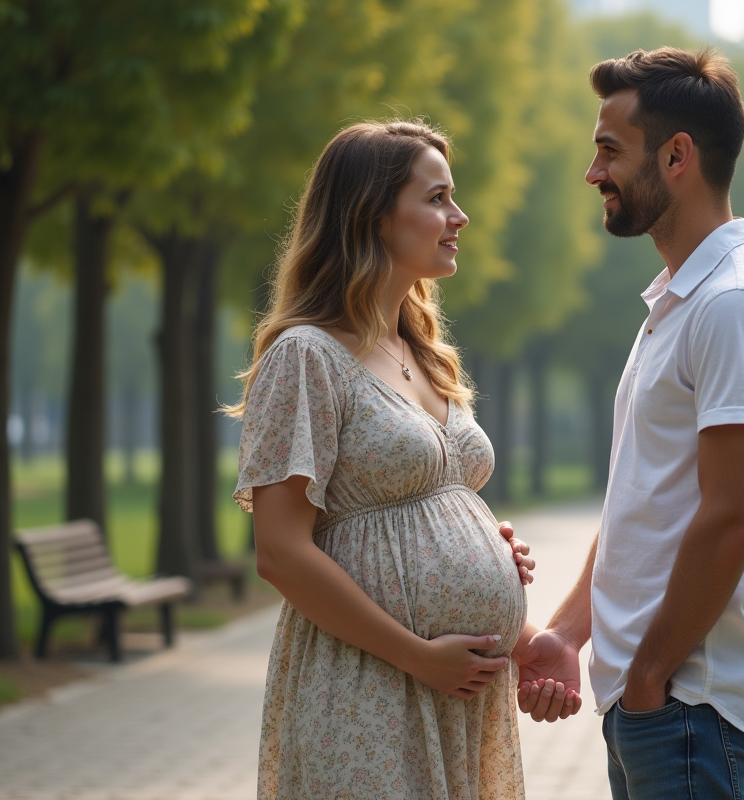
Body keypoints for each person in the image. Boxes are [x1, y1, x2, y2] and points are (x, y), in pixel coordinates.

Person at [228, 120, 579, 800]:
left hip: (456, 693)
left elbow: (420, 512)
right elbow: (279, 551)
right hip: (370, 686)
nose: (460, 216)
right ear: (374, 215)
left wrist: (519, 627)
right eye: (438, 198)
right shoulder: (306, 357)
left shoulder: (423, 351)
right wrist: (419, 656)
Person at [513, 48, 744, 800]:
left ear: (677, 156)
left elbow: (731, 519)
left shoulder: (734, 305)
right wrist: (567, 633)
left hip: (690, 708)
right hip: (660, 709)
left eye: (609, 150)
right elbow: (644, 504)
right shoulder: (683, 303)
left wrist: (649, 676)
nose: (593, 174)